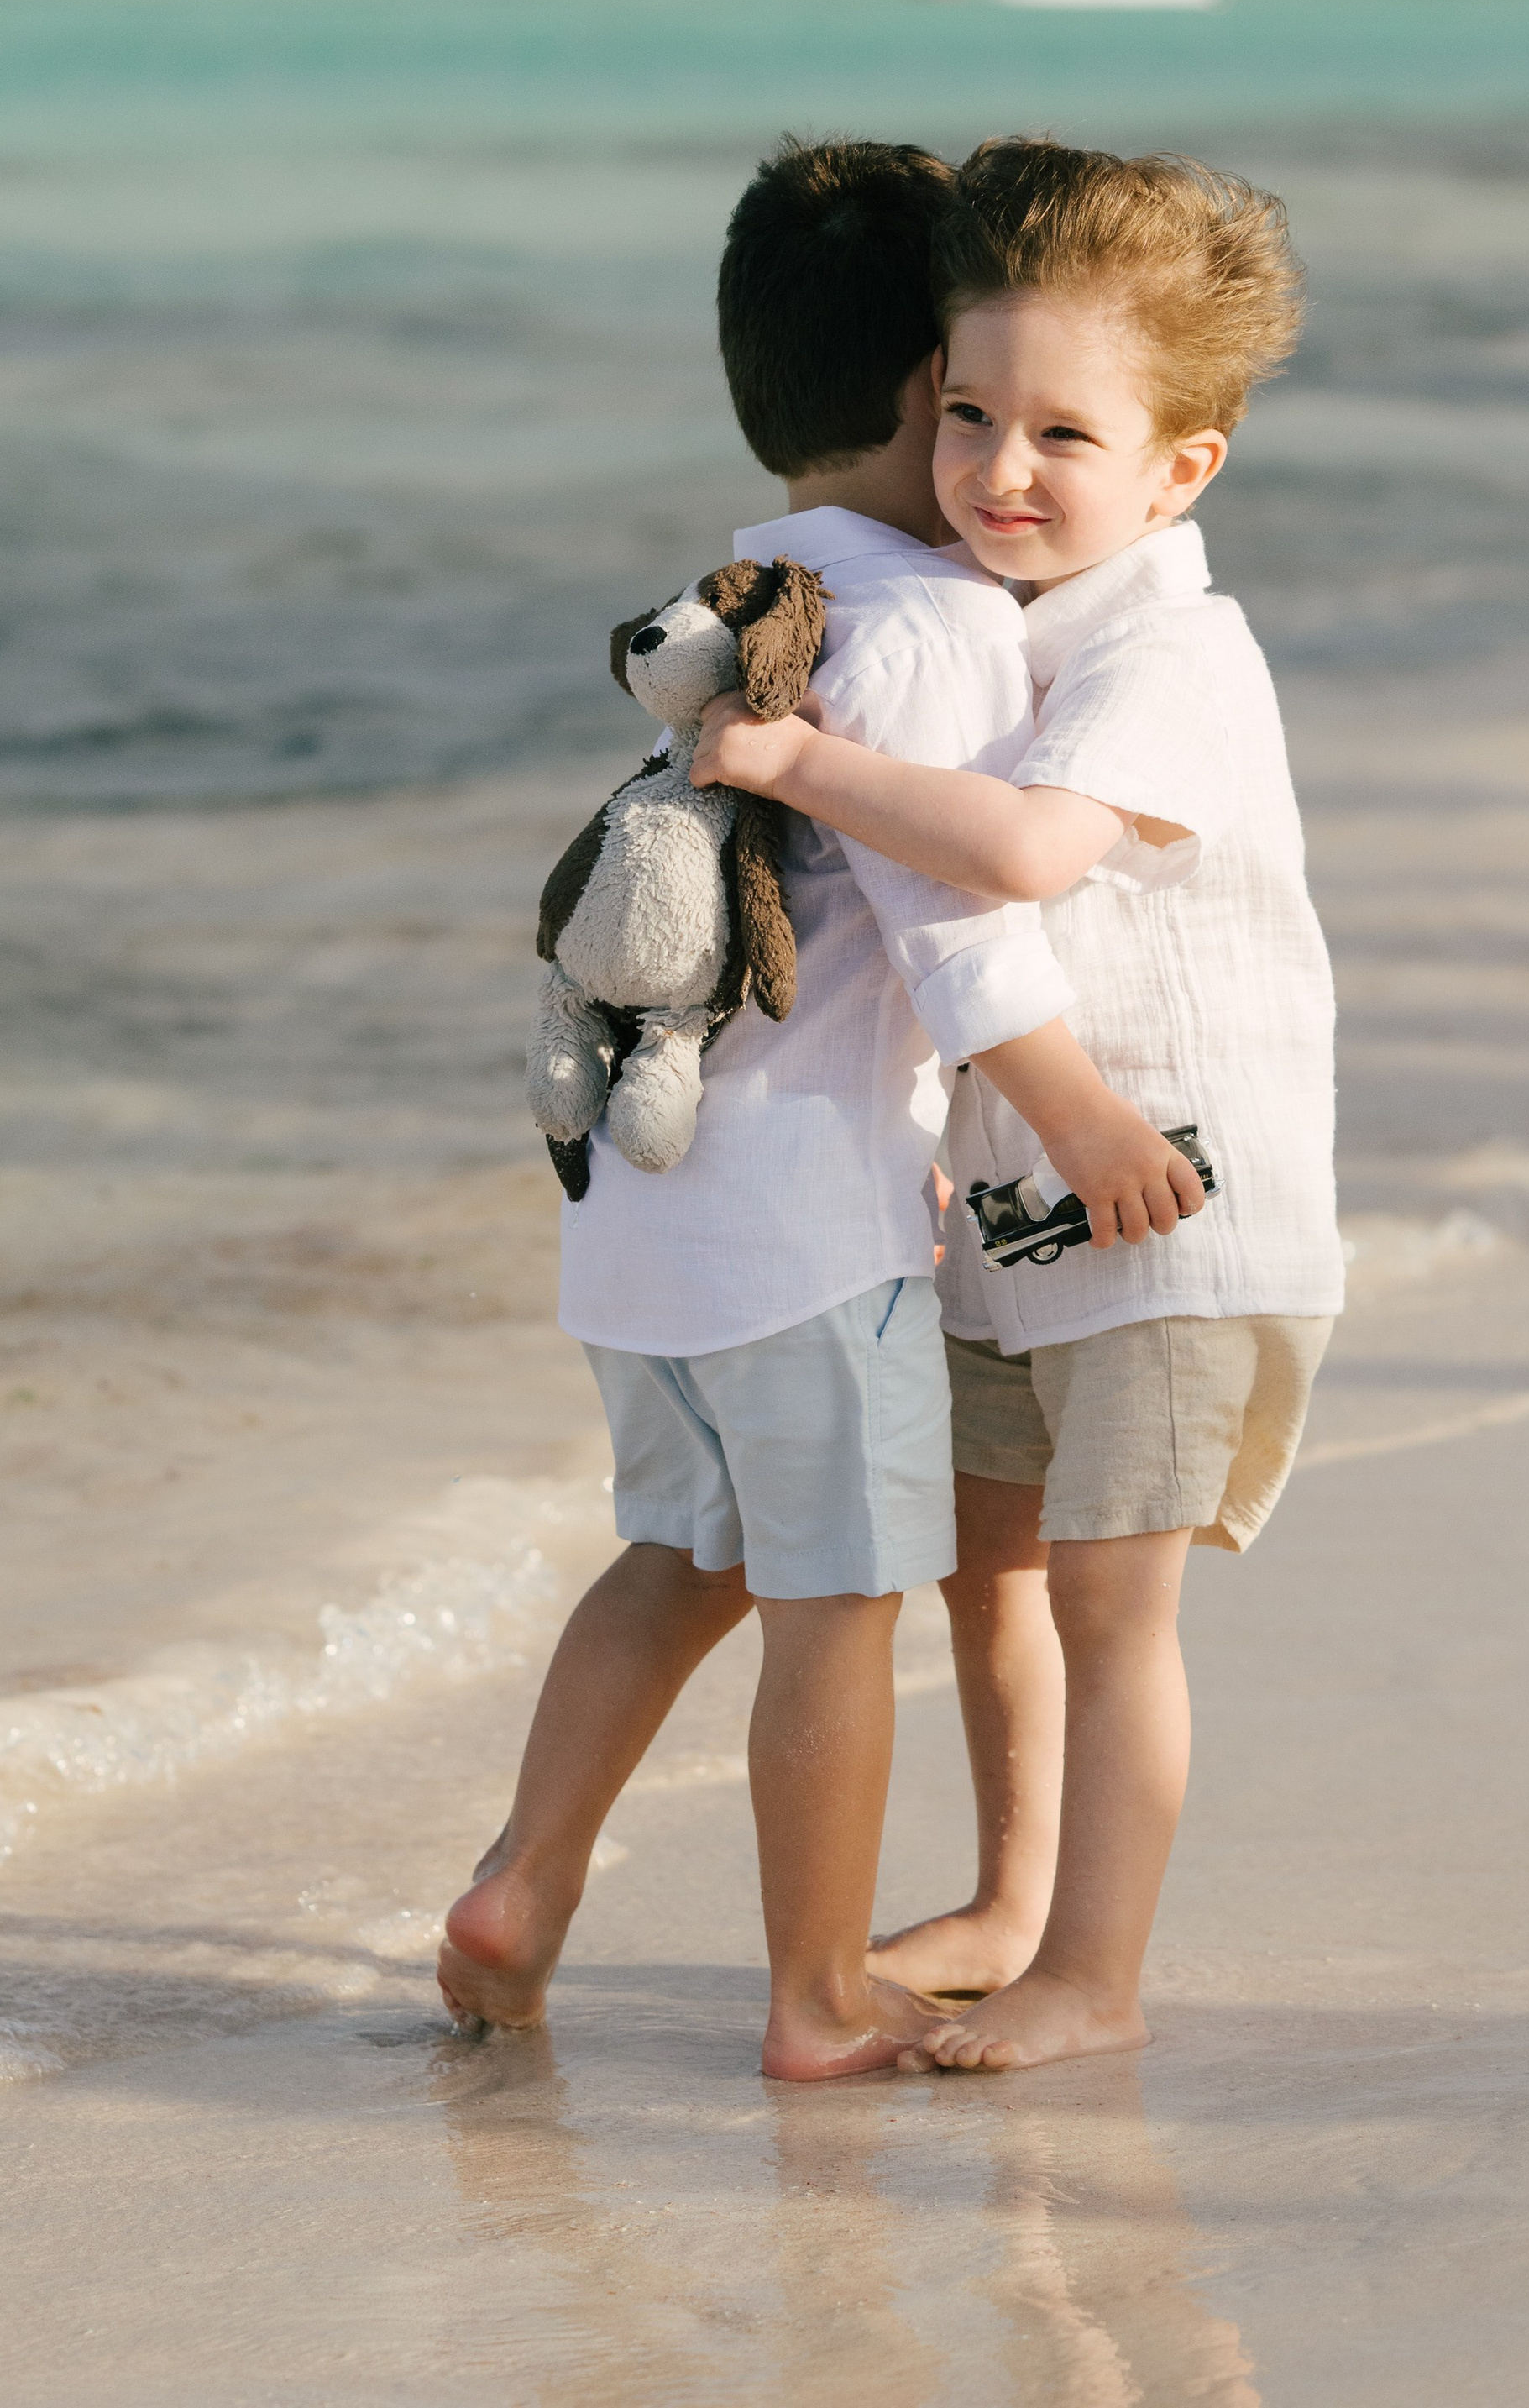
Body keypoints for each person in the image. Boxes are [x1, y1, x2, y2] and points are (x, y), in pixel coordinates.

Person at [438, 139, 1201, 2080]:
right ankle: (811, 1995)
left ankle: (523, 1882)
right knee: (837, 1604)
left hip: (634, 1209)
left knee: (672, 1558)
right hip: (804, 1227)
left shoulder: (744, 587)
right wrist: (1083, 1119)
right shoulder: (937, 626)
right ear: (911, 399)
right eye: (964, 399)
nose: (987, 458)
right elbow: (961, 935)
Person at [696, 139, 1343, 2071]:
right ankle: (1008, 1897)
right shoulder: (1000, 622)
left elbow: (1028, 855)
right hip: (1007, 1208)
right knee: (993, 1581)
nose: (995, 468)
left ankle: (1096, 1973)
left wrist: (791, 753)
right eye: (967, 412)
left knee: (1111, 1609)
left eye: (1062, 434)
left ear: (1177, 470)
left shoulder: (1170, 654)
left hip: (1170, 1198)